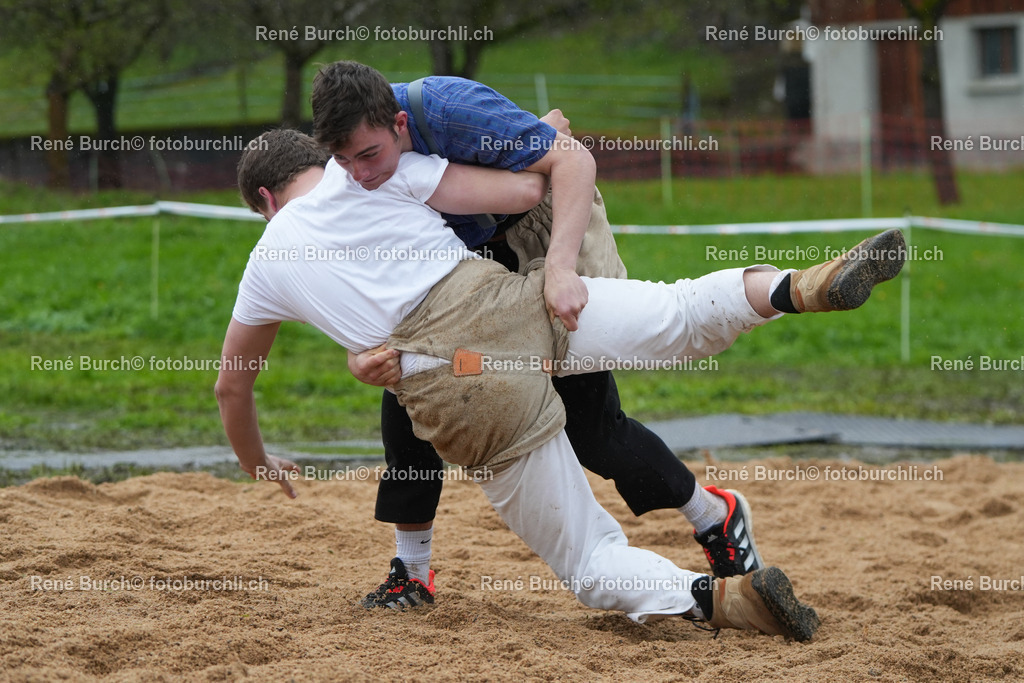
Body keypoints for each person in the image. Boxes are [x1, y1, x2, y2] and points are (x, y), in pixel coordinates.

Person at [218, 128, 905, 639]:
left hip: (458, 382)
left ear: (266, 200)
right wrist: (532, 144)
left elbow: (232, 388)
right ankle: (799, 287)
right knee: (679, 311)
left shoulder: (267, 260)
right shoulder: (378, 173)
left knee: (591, 562)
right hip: (513, 307)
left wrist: (259, 462)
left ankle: (723, 600)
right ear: (327, 159)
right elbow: (523, 190)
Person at [309, 62, 765, 607]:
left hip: (538, 243)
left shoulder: (449, 109)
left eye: (369, 155)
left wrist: (560, 268)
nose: (359, 174)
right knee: (409, 402)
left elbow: (569, 161)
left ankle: (714, 516)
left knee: (593, 431)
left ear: (400, 123)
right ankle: (411, 571)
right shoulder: (345, 175)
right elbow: (351, 266)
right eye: (343, 161)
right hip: (459, 285)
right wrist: (357, 354)